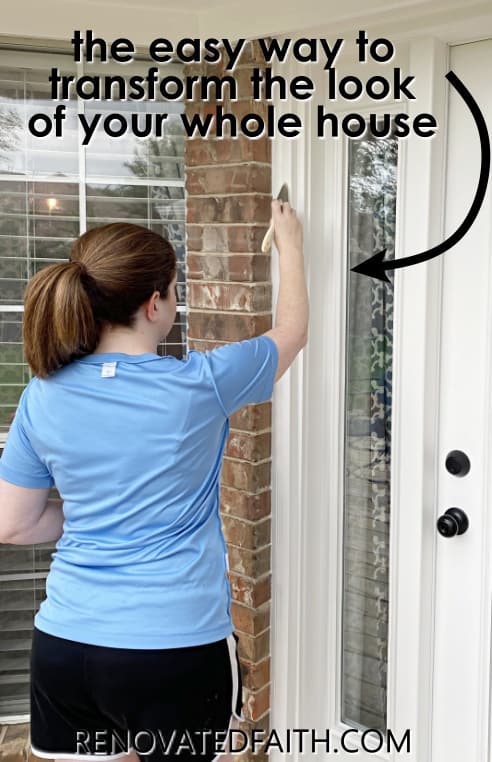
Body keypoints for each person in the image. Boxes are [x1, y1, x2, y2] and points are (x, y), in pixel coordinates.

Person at [0, 198, 308, 762]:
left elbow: (13, 525)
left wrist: (98, 507)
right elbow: (291, 332)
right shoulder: (202, 384)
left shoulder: (42, 395)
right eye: (173, 288)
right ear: (154, 304)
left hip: (67, 646)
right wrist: (290, 244)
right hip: (175, 648)